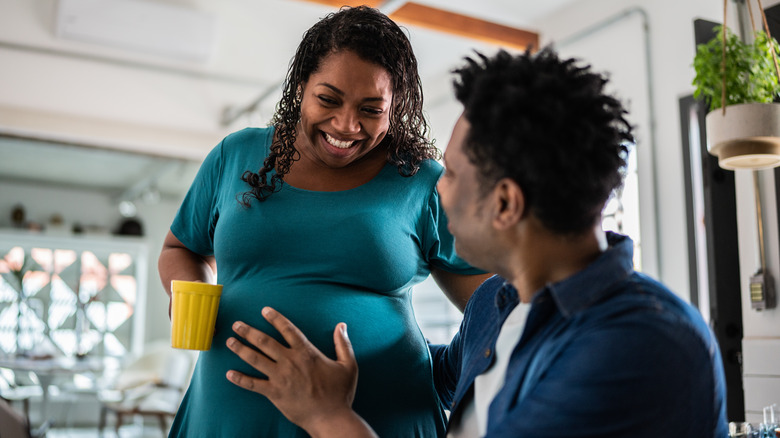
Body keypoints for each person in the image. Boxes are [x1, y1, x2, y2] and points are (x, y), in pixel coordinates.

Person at [224, 47, 730, 437]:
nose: (437, 187)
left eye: (454, 175)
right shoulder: (499, 301)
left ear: (505, 204)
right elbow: (448, 375)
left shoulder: (639, 345)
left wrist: (327, 415)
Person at [157, 6, 489, 437]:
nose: (346, 125)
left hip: (380, 417)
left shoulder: (423, 183)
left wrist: (445, 374)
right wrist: (193, 290)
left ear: (396, 107)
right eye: (328, 99)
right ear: (301, 85)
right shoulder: (234, 155)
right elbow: (180, 247)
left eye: (371, 109)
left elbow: (495, 307)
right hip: (230, 416)